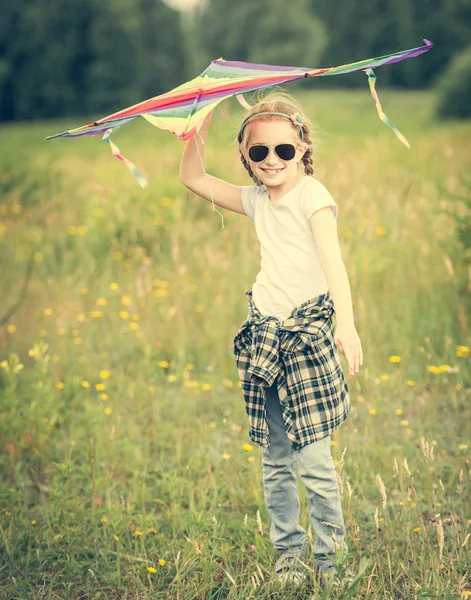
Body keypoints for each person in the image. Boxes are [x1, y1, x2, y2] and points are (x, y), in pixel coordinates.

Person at [179, 90, 362, 590]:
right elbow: (192, 178)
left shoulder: (313, 196)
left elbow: (333, 263)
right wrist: (204, 114)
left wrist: (345, 323)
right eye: (259, 152)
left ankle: (331, 562)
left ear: (302, 146)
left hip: (306, 337)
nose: (272, 160)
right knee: (276, 458)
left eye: (284, 149)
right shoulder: (255, 199)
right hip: (264, 333)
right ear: (246, 156)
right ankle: (289, 556)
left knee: (315, 462)